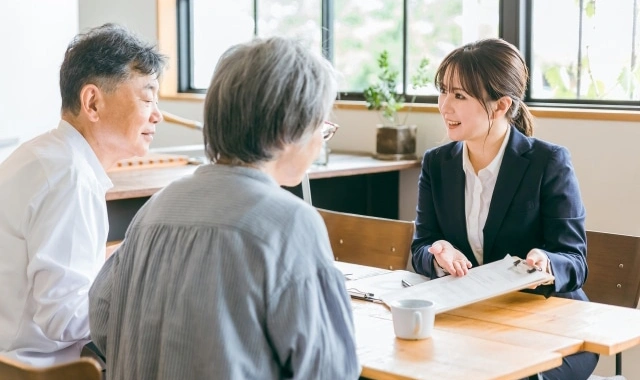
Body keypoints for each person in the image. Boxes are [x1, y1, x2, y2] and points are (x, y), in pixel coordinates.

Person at [88, 36, 359, 380]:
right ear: (290, 129)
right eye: (322, 125)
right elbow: (331, 370)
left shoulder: (155, 209)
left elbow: (101, 321)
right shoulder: (289, 223)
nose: (322, 139)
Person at [410, 38, 598, 380]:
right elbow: (421, 246)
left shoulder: (548, 162)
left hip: (552, 327)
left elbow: (574, 261)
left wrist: (545, 263)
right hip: (474, 324)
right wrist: (437, 252)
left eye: (459, 96)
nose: (444, 106)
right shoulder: (437, 164)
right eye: (443, 91)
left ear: (500, 106)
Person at [0, 23, 166, 366]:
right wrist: (147, 298)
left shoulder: (42, 154)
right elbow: (64, 317)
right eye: (147, 97)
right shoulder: (70, 178)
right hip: (34, 370)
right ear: (92, 102)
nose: (157, 115)